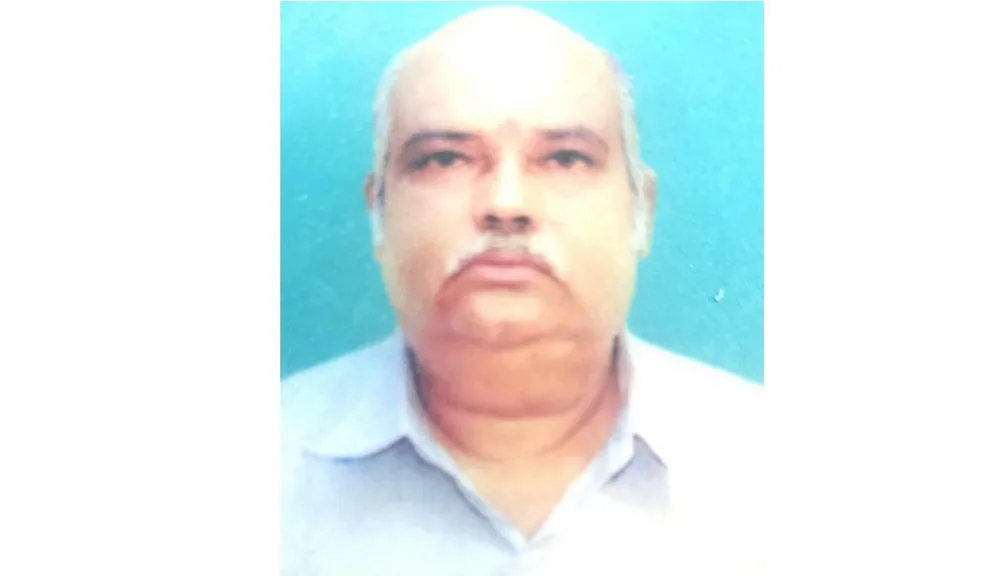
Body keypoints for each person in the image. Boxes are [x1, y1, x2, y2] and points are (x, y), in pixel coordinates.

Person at [281, 6, 764, 575]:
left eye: (565, 158)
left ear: (643, 212)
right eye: (444, 159)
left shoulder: (770, 464)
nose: (506, 203)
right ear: (378, 214)